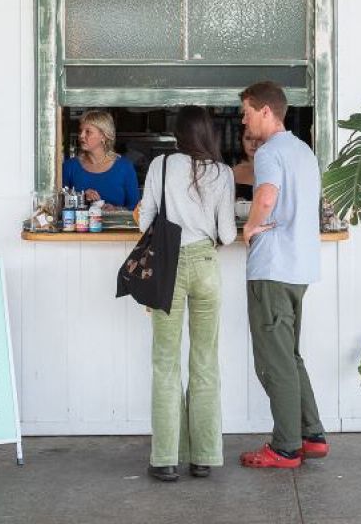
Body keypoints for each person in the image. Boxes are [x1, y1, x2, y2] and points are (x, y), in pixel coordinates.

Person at [139, 106, 237, 483]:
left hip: (166, 266)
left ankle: (165, 459)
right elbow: (227, 234)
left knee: (165, 363)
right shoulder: (222, 173)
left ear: (177, 134)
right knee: (205, 361)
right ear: (208, 134)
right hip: (206, 268)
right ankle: (204, 457)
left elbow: (147, 220)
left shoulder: (161, 166)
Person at [237, 80, 328, 469]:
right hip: (300, 267)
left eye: (246, 112)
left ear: (265, 112)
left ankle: (286, 447)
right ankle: (312, 434)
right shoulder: (303, 151)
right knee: (289, 355)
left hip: (273, 268)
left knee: (274, 361)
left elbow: (267, 196)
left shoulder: (270, 151)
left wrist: (250, 227)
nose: (244, 120)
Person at [62, 109, 140, 210]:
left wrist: (116, 210)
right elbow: (59, 206)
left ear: (103, 136)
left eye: (88, 132)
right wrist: (80, 198)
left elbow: (136, 208)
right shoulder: (70, 167)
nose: (81, 136)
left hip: (117, 225)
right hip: (80, 225)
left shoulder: (124, 167)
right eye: (80, 131)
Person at [232, 128, 261, 202]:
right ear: (241, 140)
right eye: (248, 138)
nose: (253, 144)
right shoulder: (232, 173)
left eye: (259, 139)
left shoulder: (276, 171)